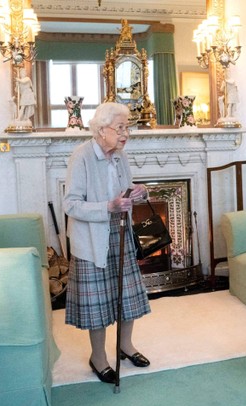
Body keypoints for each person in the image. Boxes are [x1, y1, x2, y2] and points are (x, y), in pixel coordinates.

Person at [63, 102, 151, 385]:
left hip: (121, 232)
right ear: (102, 130)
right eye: (121, 128)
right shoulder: (82, 156)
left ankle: (126, 346)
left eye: (128, 127)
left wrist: (138, 192)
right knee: (98, 305)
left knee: (127, 296)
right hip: (92, 239)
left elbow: (124, 190)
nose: (126, 134)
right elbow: (71, 205)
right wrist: (108, 207)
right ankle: (98, 357)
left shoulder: (120, 157)